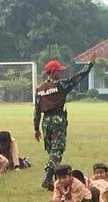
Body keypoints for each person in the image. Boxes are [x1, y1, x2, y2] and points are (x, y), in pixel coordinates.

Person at [33, 57, 96, 190]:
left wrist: (36, 128)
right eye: (59, 71)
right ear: (54, 72)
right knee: (57, 149)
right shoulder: (61, 85)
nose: (60, 74)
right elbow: (78, 77)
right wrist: (90, 64)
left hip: (46, 122)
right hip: (58, 120)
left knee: (51, 150)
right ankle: (48, 176)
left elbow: (37, 110)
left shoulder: (39, 89)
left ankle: (55, 179)